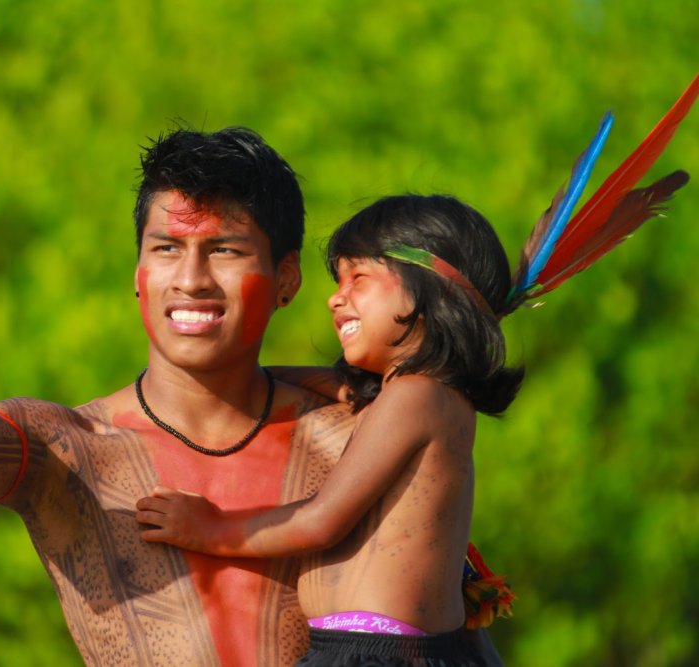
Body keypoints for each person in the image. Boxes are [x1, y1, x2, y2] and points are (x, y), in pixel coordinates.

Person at [0, 125, 366, 666]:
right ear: (139, 273)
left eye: (223, 249)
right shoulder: (70, 452)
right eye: (167, 248)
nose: (191, 278)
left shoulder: (357, 442)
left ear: (286, 279)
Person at [136, 194, 523, 665]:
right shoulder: (412, 395)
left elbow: (321, 521)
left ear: (433, 292)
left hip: (380, 655)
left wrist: (210, 528)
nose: (335, 297)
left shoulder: (417, 395)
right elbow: (305, 380)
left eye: (358, 277)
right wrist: (241, 373)